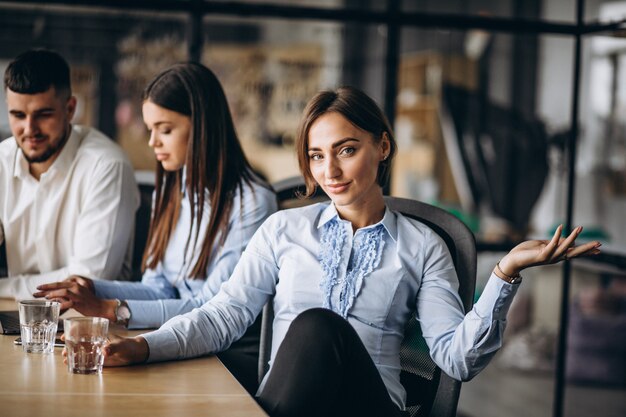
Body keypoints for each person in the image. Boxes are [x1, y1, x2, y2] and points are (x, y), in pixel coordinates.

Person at [87, 87, 601, 417]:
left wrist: (506, 272)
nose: (329, 171)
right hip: (286, 404)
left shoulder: (424, 245)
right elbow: (223, 315)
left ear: (382, 146)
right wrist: (145, 345)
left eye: (346, 150)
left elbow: (455, 359)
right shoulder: (282, 230)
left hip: (370, 408)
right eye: (316, 156)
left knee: (317, 326)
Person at [35, 63, 277, 336]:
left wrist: (112, 308)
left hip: (219, 353)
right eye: (151, 129)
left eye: (165, 129)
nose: (153, 142)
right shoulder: (173, 189)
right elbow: (159, 288)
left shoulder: (253, 203)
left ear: (202, 127)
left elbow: (210, 309)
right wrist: (91, 288)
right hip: (172, 337)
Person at [0, 49, 139, 300]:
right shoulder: (2, 161)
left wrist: (4, 287)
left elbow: (86, 281)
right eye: (18, 115)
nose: (29, 130)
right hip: (20, 316)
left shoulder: (106, 166)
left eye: (44, 114)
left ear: (70, 108)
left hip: (94, 324)